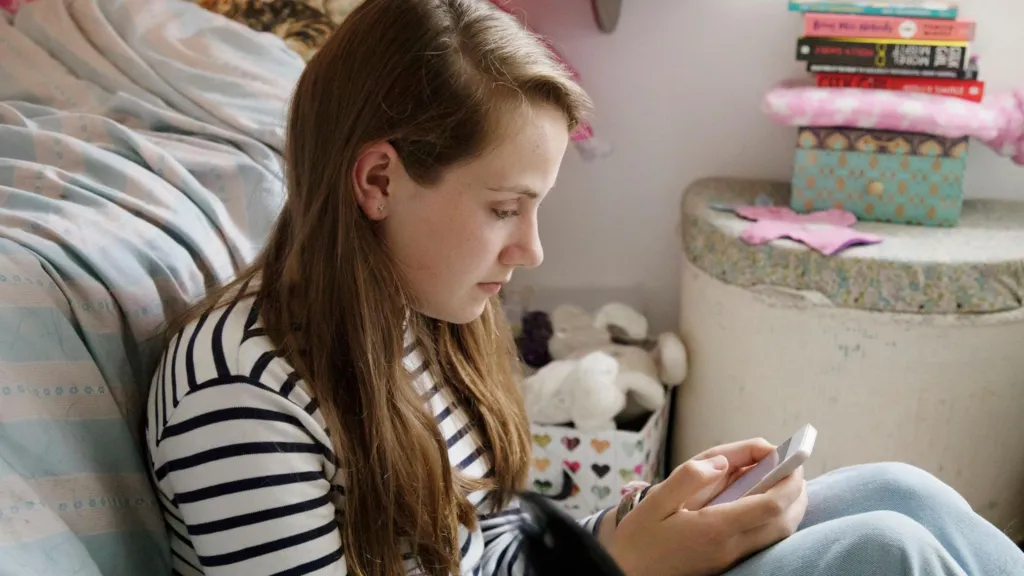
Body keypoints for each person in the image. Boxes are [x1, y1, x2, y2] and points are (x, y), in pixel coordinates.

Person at [143, 0, 1024, 574]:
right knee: (885, 552)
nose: (529, 249)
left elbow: (483, 549)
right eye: (503, 208)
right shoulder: (241, 394)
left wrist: (628, 528)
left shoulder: (415, 317)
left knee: (904, 494)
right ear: (377, 182)